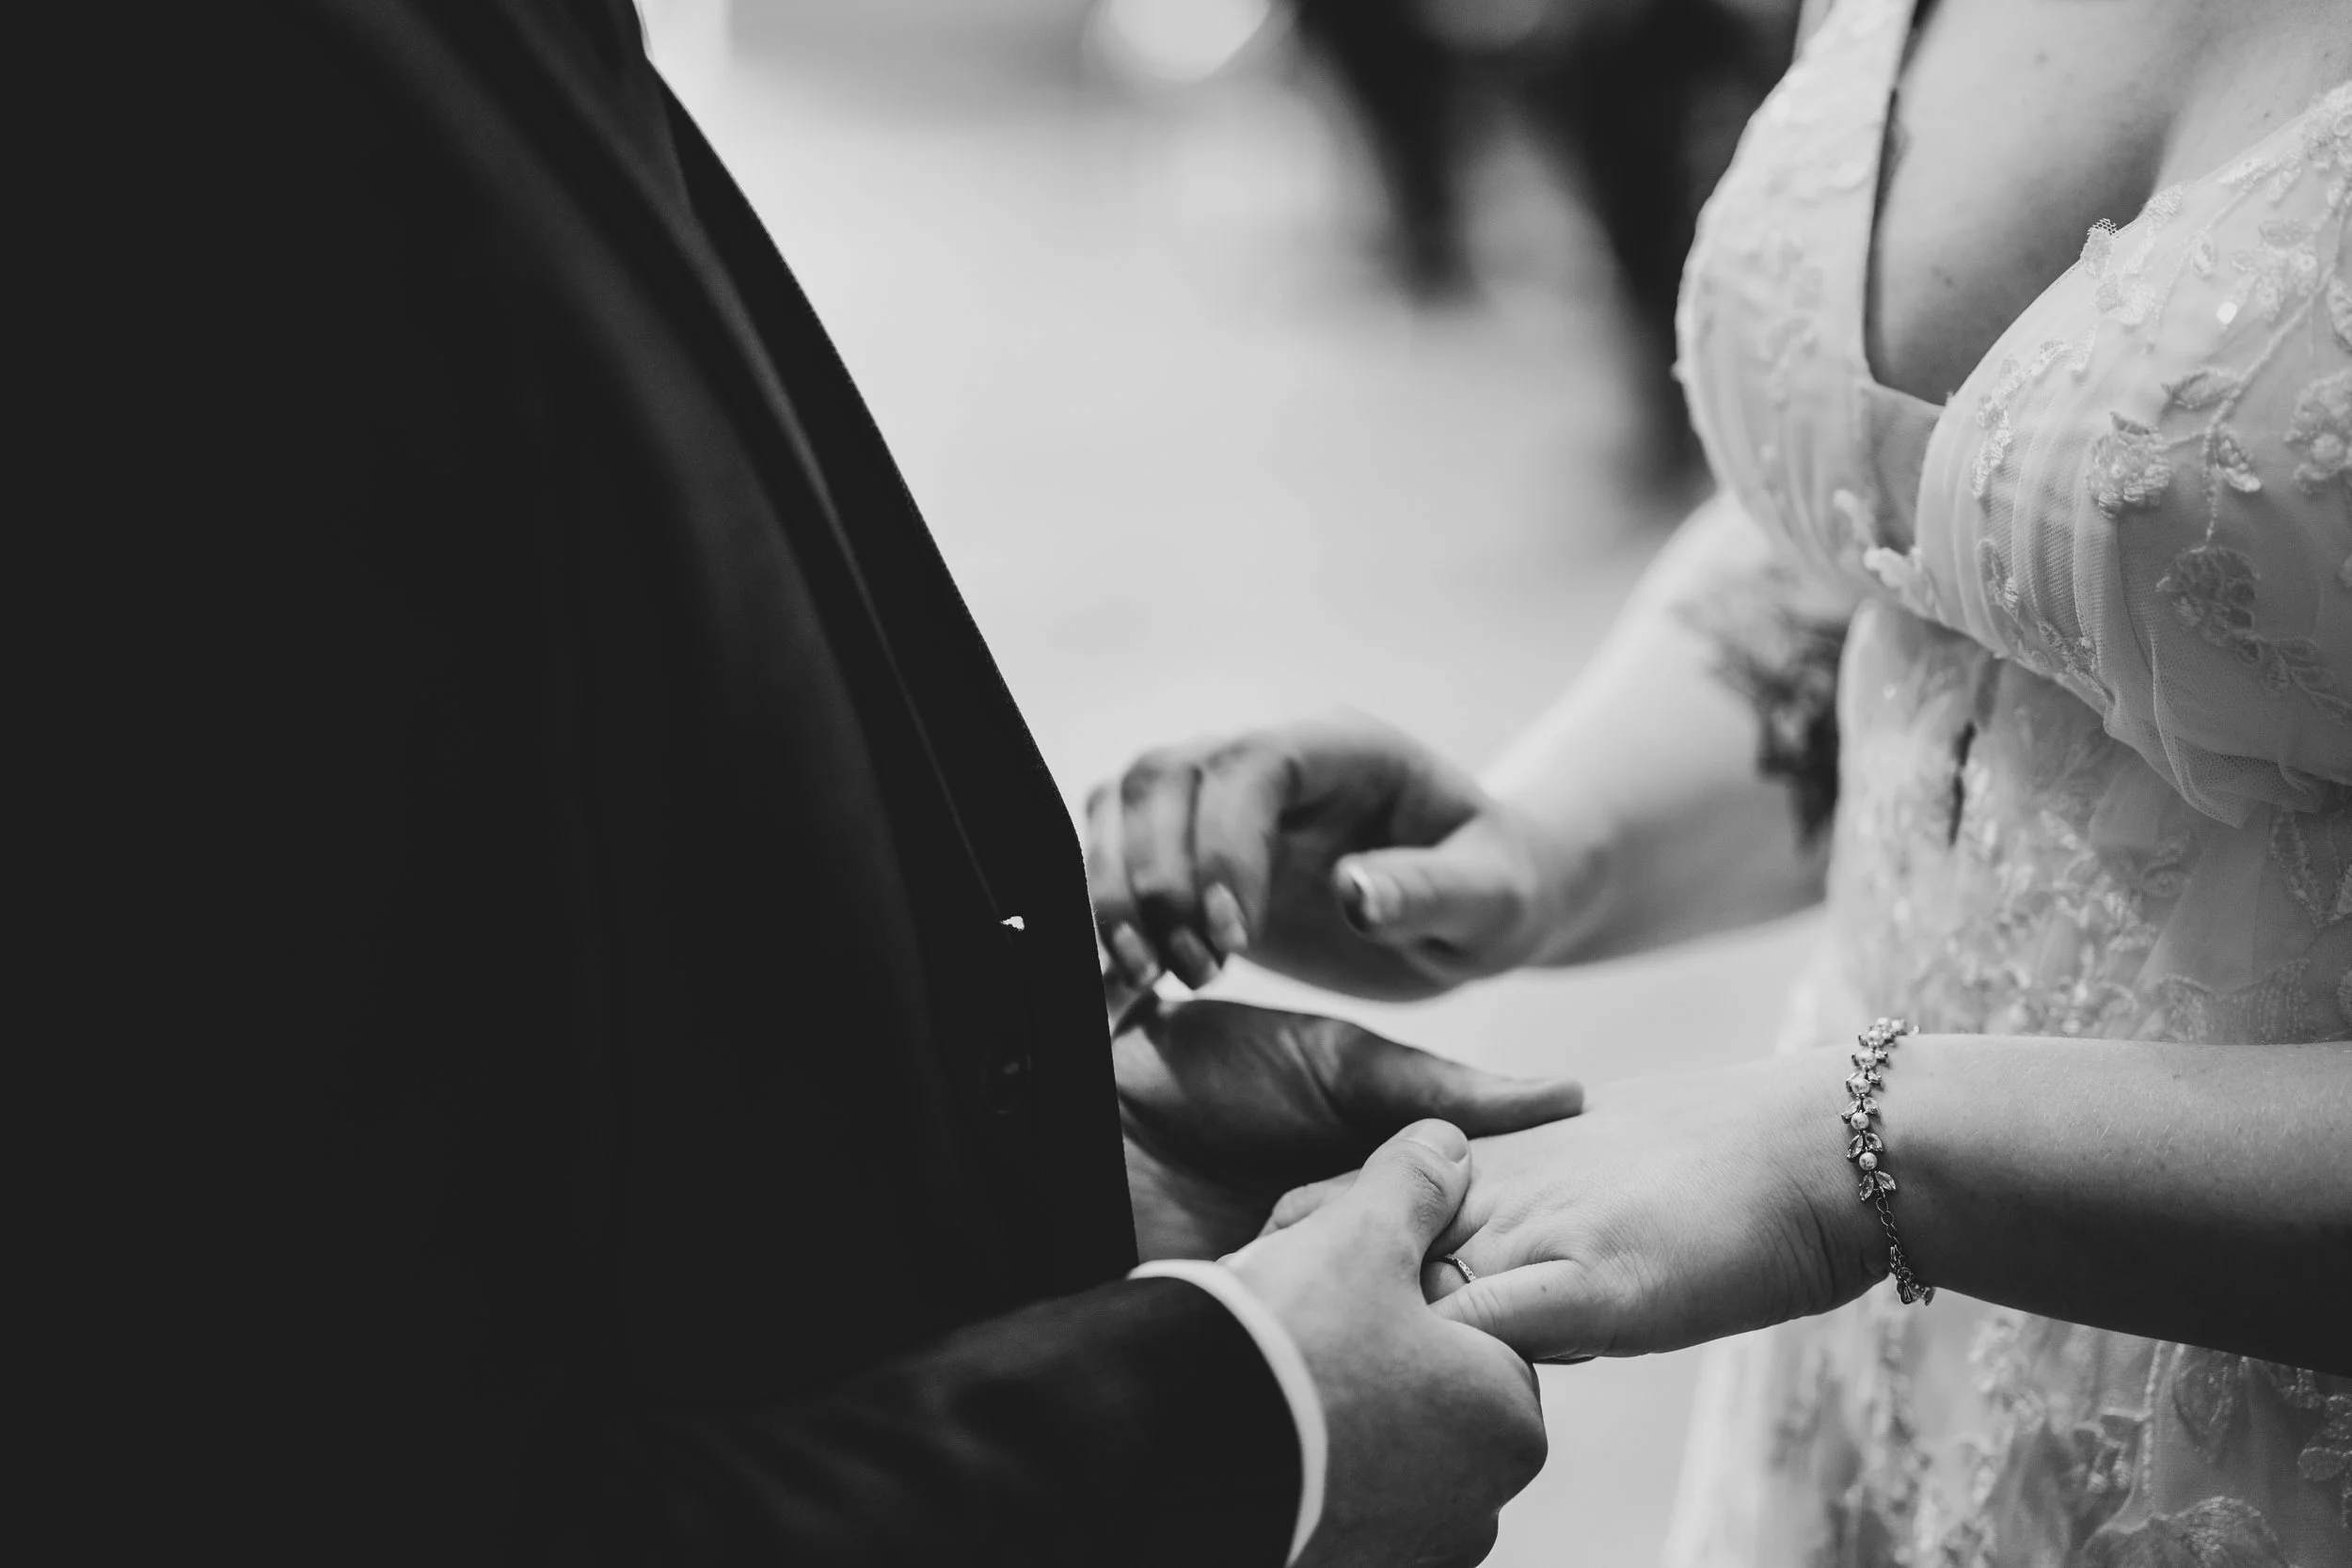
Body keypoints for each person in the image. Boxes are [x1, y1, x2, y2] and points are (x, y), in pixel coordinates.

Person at [26, 2, 1589, 1562]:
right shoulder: (174, 90)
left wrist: (1012, 1161)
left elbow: (432, 983)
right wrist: (1235, 1419)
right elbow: (263, 1459)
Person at [1091, 0, 2352, 1562]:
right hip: (1871, 1392)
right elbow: (1933, 547)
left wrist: (1849, 1156)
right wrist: (1542, 846)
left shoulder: (1850, 1164)